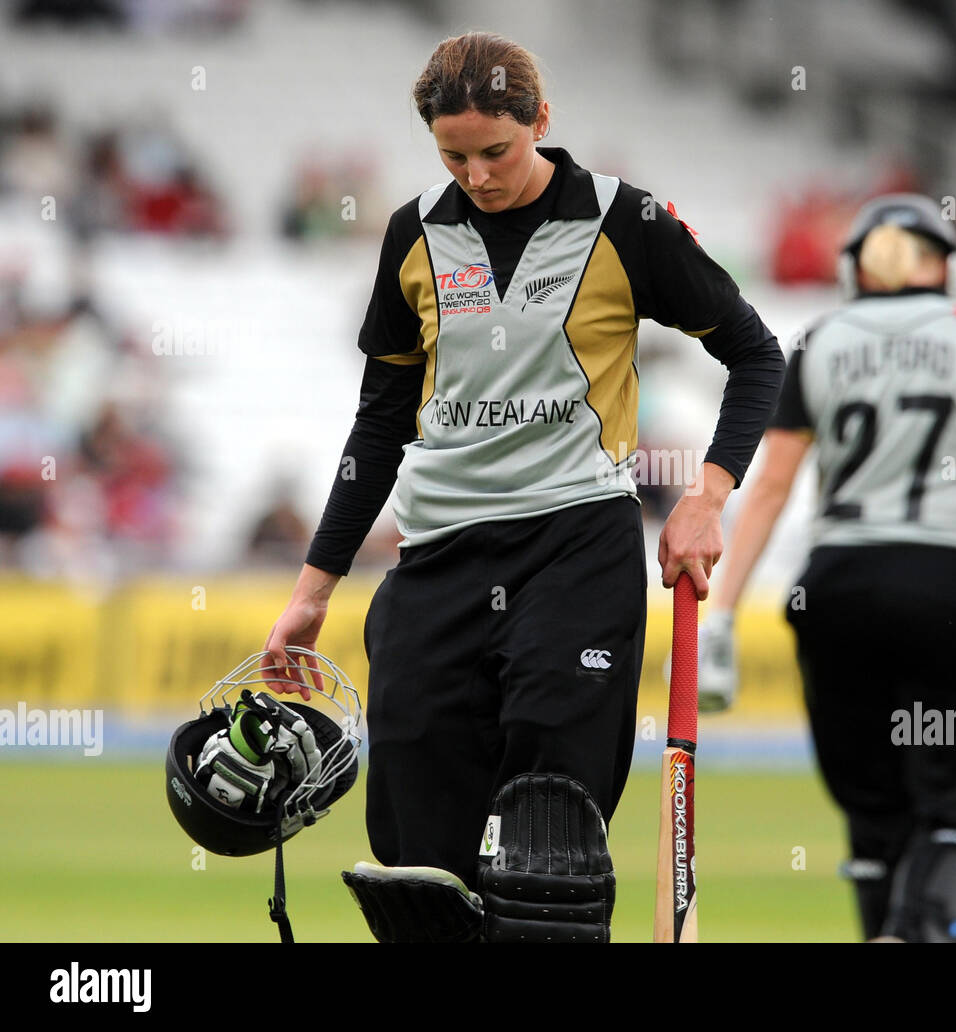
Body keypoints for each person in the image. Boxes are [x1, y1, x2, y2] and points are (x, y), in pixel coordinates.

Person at [259, 31, 784, 943]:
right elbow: (380, 423)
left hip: (576, 548)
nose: (478, 174)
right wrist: (314, 590)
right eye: (453, 155)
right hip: (436, 562)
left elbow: (756, 354)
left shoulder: (628, 221)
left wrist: (706, 495)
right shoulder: (412, 232)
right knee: (417, 867)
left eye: (496, 151)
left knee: (547, 844)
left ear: (541, 121)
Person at [699, 194, 956, 942]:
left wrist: (722, 613)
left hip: (835, 592)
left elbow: (773, 486)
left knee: (874, 817)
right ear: (947, 266)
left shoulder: (820, 338)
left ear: (856, 269)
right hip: (952, 589)